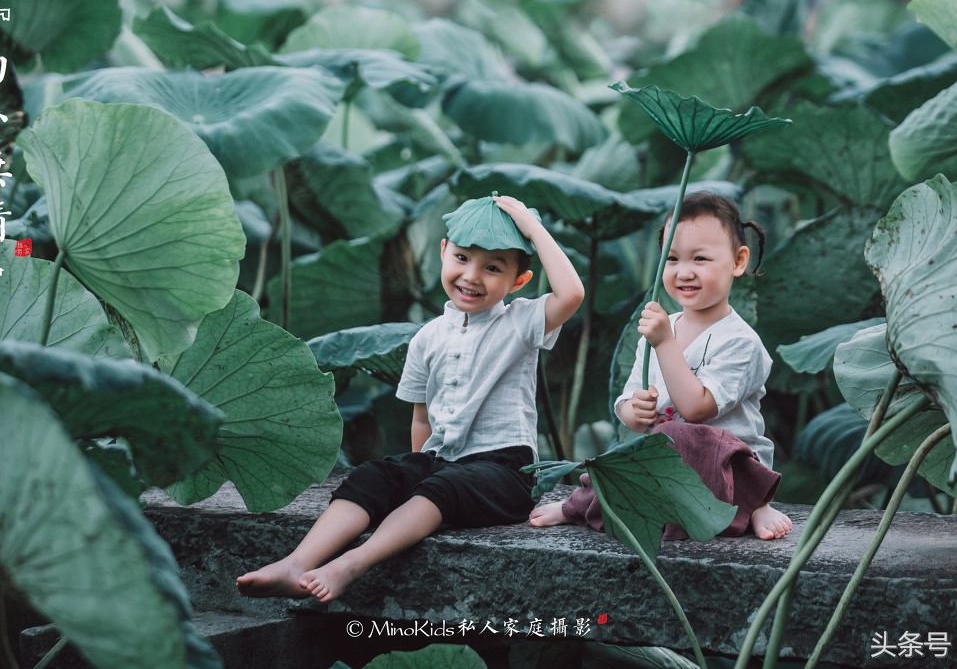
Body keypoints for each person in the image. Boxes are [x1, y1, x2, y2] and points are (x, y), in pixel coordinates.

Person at [237, 194, 584, 602]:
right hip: (444, 461)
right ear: (442, 252)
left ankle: (352, 564)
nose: (472, 276)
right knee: (371, 476)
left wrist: (532, 227)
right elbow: (422, 418)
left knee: (443, 489)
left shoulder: (522, 322)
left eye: (492, 268)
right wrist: (423, 469)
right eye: (461, 258)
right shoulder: (427, 337)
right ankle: (297, 561)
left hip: (506, 471)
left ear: (518, 281)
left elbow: (572, 293)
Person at [530, 191, 793, 541]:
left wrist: (665, 344)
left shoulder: (740, 342)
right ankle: (577, 505)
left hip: (729, 470)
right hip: (671, 471)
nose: (684, 272)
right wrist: (632, 411)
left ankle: (755, 505)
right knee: (625, 455)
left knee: (676, 436)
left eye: (700, 258)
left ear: (738, 261)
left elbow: (697, 409)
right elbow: (626, 400)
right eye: (672, 259)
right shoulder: (659, 330)